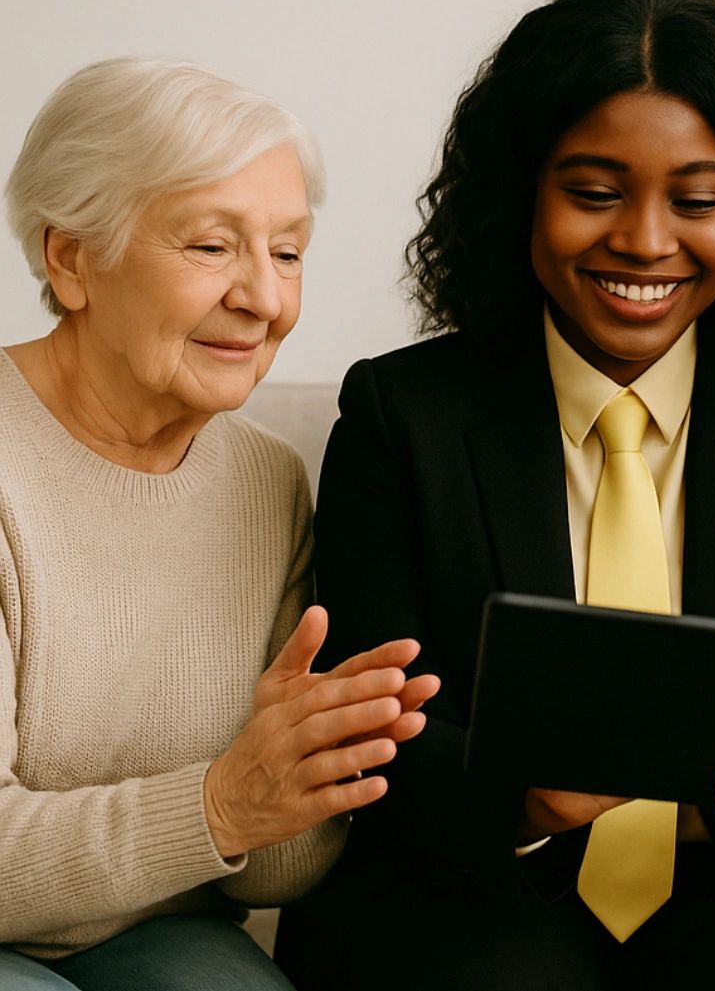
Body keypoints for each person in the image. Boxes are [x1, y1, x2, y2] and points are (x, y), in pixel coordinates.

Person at [275, 0, 715, 991]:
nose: (646, 240)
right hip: (478, 880)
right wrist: (519, 800)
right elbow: (372, 735)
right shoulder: (401, 415)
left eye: (698, 201)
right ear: (520, 195)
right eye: (594, 193)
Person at [0, 58, 438, 989]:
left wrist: (300, 775)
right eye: (210, 247)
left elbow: (283, 865)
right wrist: (222, 801)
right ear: (70, 258)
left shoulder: (266, 479)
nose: (264, 299)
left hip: (159, 929)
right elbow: (224, 814)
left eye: (287, 251)